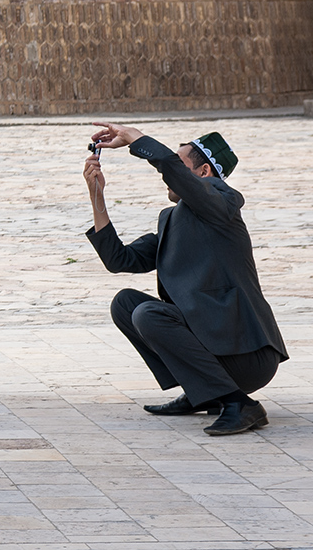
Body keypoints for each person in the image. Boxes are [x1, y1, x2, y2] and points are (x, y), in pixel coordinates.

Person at [85, 125, 289, 437]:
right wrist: (96, 193)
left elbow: (170, 168)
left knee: (147, 314)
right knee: (126, 304)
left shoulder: (224, 202)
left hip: (247, 355)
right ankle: (203, 392)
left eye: (181, 165)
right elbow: (119, 260)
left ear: (205, 171)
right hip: (219, 351)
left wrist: (134, 138)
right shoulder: (173, 219)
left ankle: (240, 404)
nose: (171, 173)